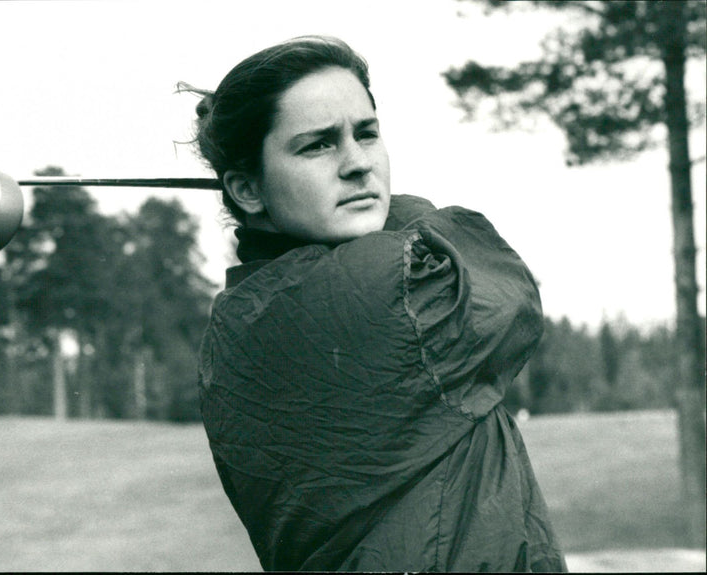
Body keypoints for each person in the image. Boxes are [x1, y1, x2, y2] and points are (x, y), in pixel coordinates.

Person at [192, 35, 568, 572]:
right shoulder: (340, 300)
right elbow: (506, 291)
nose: (357, 164)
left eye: (366, 134)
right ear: (247, 190)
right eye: (317, 145)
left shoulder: (246, 311)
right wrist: (391, 209)